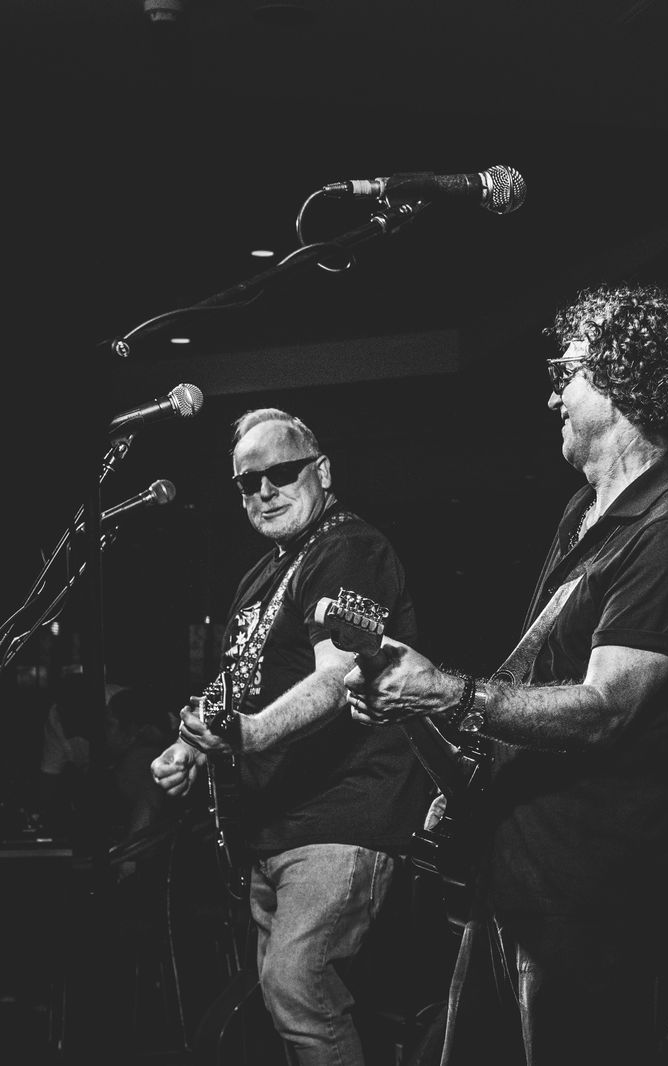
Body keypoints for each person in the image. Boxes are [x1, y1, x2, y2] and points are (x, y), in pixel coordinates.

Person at [345, 283, 668, 1065]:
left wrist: (445, 690)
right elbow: (525, 700)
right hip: (515, 881)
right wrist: (412, 703)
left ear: (628, 380)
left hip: (592, 899)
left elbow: (607, 707)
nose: (554, 394)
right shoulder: (581, 515)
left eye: (570, 372)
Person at [149, 407, 429, 1066]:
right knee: (285, 1004)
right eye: (249, 482)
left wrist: (249, 734)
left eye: (282, 473)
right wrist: (191, 745)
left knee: (295, 984)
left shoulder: (350, 548)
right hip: (273, 825)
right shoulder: (260, 578)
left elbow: (341, 673)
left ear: (322, 471)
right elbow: (237, 680)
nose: (266, 491)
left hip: (341, 816)